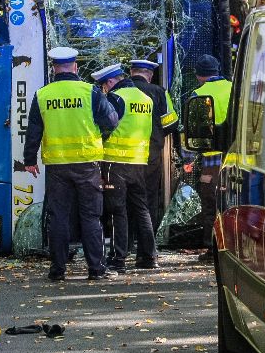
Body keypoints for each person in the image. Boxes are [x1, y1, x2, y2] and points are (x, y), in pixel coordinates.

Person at [22, 47, 119, 282]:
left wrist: (29, 160)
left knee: (58, 217)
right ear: (75, 67)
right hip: (86, 163)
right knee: (90, 216)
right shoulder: (91, 92)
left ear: (54, 68)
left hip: (57, 166)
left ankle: (58, 270)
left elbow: (33, 130)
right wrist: (100, 134)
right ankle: (96, 269)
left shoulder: (43, 94)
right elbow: (112, 121)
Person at [93, 63, 158, 271]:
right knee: (141, 209)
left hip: (116, 162)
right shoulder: (145, 99)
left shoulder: (116, 98)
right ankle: (149, 256)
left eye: (105, 85)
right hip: (139, 162)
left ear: (112, 81)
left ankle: (118, 258)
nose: (104, 89)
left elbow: (105, 127)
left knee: (116, 210)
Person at [190, 54, 232, 257]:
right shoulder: (235, 88)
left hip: (211, 159)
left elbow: (195, 130)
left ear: (199, 75)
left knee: (210, 203)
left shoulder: (199, 94)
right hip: (236, 157)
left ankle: (212, 247)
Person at [128, 58, 178, 230]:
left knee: (126, 199)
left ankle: (125, 241)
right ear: (149, 75)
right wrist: (157, 135)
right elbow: (171, 124)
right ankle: (147, 243)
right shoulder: (159, 92)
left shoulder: (119, 92)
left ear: (131, 73)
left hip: (123, 156)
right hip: (151, 154)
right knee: (148, 197)